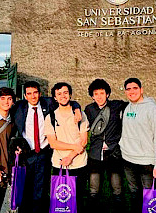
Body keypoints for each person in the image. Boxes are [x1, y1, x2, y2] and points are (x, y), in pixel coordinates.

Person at [7, 81, 82, 213]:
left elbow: (67, 100)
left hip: (44, 153)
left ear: (40, 94)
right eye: (29, 94)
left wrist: (77, 109)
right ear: (25, 96)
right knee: (25, 188)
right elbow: (4, 110)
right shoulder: (19, 107)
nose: (33, 96)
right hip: (26, 154)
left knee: (41, 189)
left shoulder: (48, 103)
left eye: (35, 93)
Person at [119, 78, 156, 212]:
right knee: (134, 194)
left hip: (147, 161)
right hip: (128, 159)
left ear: (141, 90)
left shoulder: (153, 109)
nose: (131, 92)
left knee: (150, 197)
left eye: (135, 88)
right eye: (128, 89)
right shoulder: (127, 107)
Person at [84, 79, 128, 213]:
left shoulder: (116, 105)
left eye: (102, 93)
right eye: (95, 94)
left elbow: (134, 104)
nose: (99, 96)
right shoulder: (89, 109)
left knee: (117, 189)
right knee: (93, 190)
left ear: (107, 94)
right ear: (92, 96)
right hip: (95, 154)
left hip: (113, 153)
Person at [44, 82, 89, 213]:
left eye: (65, 93)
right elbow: (53, 143)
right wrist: (74, 147)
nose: (63, 96)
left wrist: (70, 156)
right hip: (59, 164)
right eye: (59, 94)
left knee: (78, 199)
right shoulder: (51, 117)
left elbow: (84, 140)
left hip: (79, 164)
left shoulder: (80, 115)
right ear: (55, 98)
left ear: (70, 94)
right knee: (60, 201)